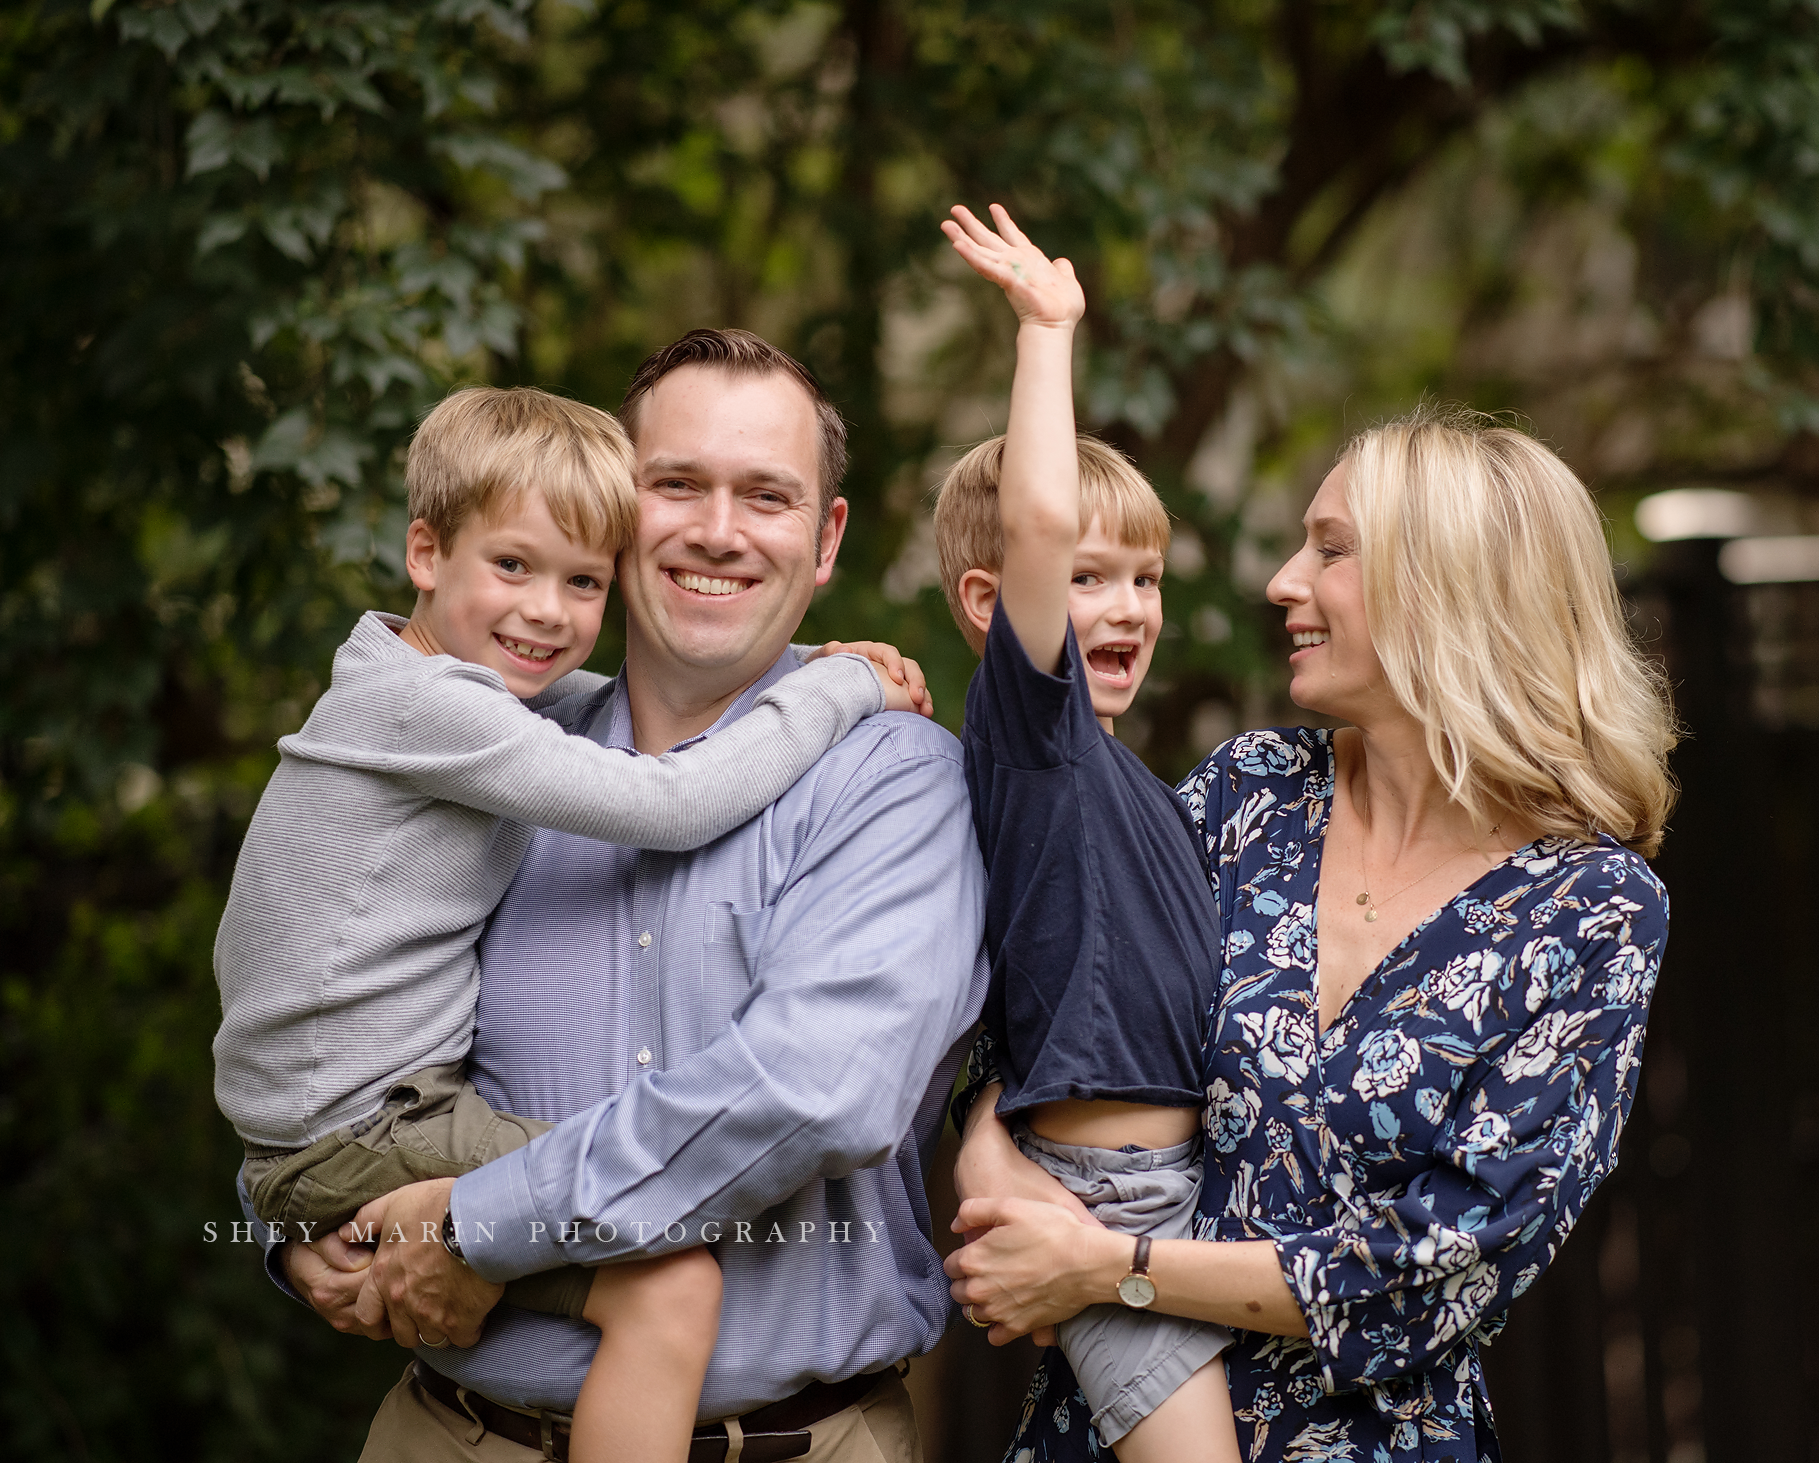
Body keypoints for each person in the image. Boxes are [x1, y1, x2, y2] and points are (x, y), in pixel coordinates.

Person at [271, 331, 989, 1463]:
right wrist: (306, 1215)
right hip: (446, 1433)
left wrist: (471, 1227)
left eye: (765, 494)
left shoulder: (890, 779)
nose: (717, 529)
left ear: (825, 538)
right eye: (676, 485)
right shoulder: (498, 752)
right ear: (615, 510)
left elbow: (816, 1089)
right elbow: (323, 978)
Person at [947, 405, 1677, 1463]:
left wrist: (1108, 1264)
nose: (1282, 580)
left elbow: (1432, 1271)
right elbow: (1055, 992)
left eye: (1329, 549)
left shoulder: (1589, 911)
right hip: (1101, 1425)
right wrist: (983, 1149)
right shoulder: (1250, 795)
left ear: (1448, 587)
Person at [930, 205, 1238, 1463]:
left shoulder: (1133, 784)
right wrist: (1047, 334)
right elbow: (1038, 525)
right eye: (1091, 576)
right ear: (991, 603)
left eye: (1146, 578)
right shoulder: (1032, 738)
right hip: (1103, 1194)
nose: (1125, 606)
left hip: (1185, 1200)